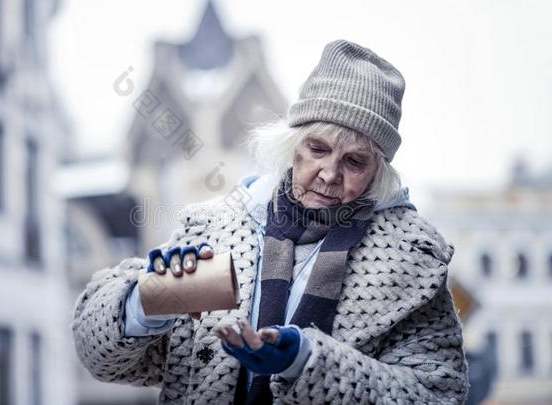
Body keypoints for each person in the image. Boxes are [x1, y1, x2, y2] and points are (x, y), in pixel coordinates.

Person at [71, 39, 469, 404]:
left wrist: (304, 361)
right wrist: (146, 301)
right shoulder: (214, 227)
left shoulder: (411, 263)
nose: (329, 173)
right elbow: (105, 359)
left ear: (378, 172)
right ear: (292, 146)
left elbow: (438, 393)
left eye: (354, 161)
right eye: (318, 149)